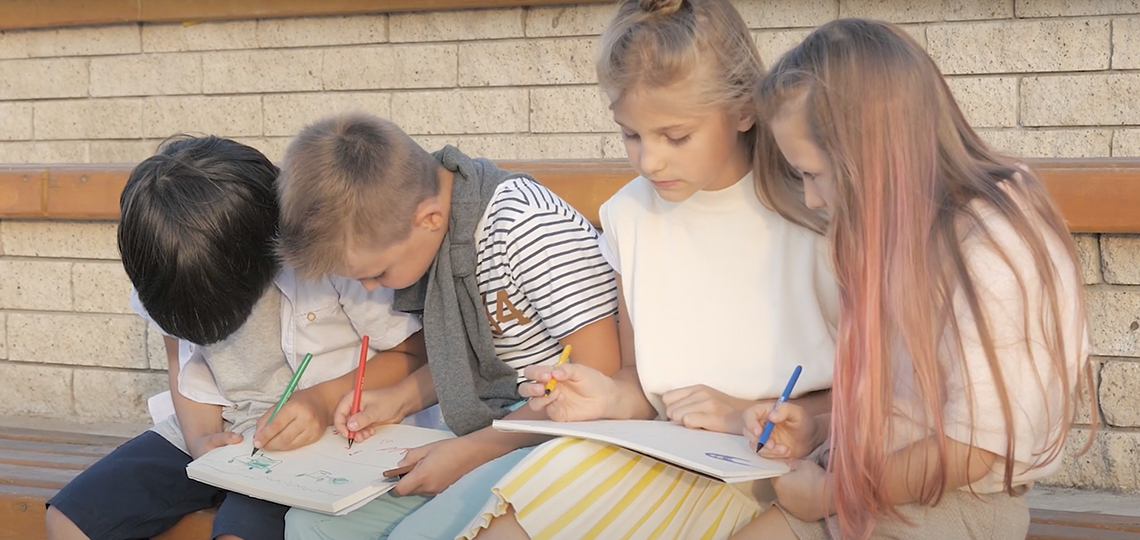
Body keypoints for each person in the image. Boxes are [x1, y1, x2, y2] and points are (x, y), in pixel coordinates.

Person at [461, 1, 838, 538]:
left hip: (788, 470)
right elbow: (643, 378)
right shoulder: (628, 215)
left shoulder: (814, 206)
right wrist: (608, 396)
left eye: (675, 136)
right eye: (631, 135)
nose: (648, 161)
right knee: (514, 521)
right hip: (665, 454)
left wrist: (751, 412)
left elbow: (876, 389)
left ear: (743, 110)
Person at [733, 18, 1092, 540]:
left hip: (956, 504)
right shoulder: (896, 224)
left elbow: (975, 446)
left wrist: (831, 495)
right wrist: (814, 427)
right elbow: (903, 399)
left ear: (873, 153)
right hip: (874, 483)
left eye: (812, 173)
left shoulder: (993, 242)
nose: (811, 199)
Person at [44, 136, 425, 540]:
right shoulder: (170, 271)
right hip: (215, 429)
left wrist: (320, 400)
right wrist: (199, 438)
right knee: (68, 521)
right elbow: (181, 364)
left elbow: (414, 353)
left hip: (316, 438)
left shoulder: (328, 260)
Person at [275, 112, 621, 540]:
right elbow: (472, 358)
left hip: (565, 436)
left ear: (429, 219)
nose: (369, 287)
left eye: (378, 273)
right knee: (312, 525)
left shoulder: (524, 226)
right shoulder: (435, 230)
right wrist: (398, 400)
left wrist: (472, 451)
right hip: (490, 426)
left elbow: (601, 374)